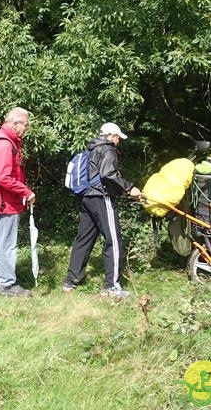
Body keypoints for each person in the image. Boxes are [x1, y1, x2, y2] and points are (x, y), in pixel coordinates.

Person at [63, 122, 142, 299]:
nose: (118, 141)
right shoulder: (108, 149)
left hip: (86, 198)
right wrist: (130, 188)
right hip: (101, 197)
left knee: (84, 238)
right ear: (112, 136)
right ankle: (112, 287)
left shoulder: (92, 148)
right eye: (118, 138)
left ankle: (71, 281)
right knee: (113, 240)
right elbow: (108, 174)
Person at [0, 107, 36, 297]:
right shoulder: (5, 144)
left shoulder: (4, 139)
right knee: (8, 243)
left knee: (0, 239)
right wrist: (26, 191)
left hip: (2, 199)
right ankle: (8, 285)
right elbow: (3, 177)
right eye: (25, 125)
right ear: (15, 123)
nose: (27, 129)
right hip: (5, 201)